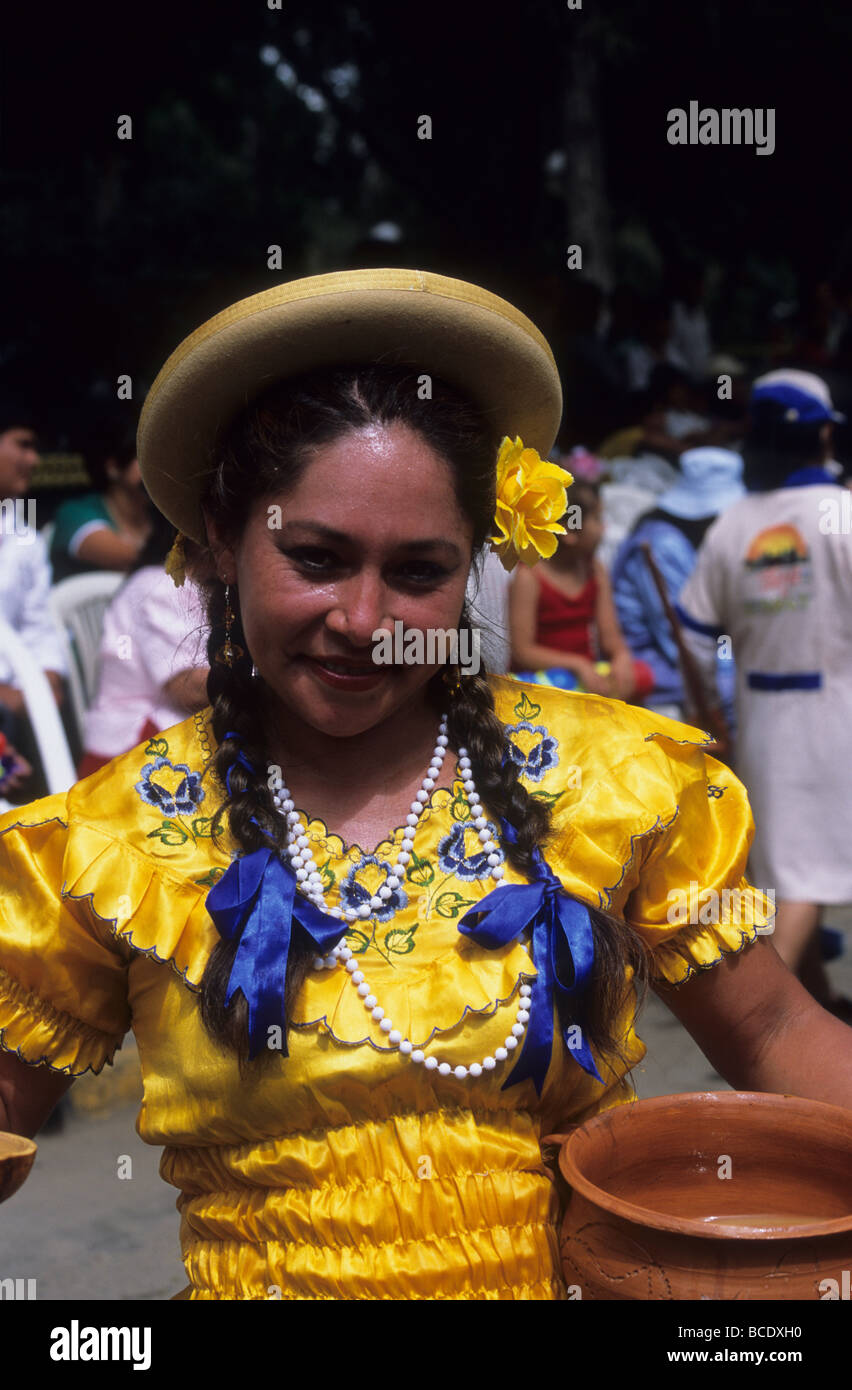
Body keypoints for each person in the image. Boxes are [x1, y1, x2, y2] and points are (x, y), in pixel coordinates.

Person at [0, 271, 850, 1305]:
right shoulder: (111, 840)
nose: (364, 619)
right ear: (223, 540)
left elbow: (772, 1031)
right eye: (315, 557)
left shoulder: (610, 782)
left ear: (476, 567)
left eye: (418, 571)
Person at [678, 369, 852, 1018]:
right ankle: (768, 1029)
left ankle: (823, 1001)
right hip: (839, 720)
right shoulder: (844, 514)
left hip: (763, 724)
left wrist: (708, 715)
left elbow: (695, 637)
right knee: (803, 881)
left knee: (787, 866)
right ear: (825, 434)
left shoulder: (733, 524)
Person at [611, 447, 745, 721]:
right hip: (659, 664)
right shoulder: (663, 545)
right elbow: (679, 639)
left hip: (692, 654)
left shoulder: (692, 540)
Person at [76, 509, 210, 778]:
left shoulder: (211, 588)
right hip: (134, 756)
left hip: (182, 742)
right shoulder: (160, 585)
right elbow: (186, 689)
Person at [509, 478, 654, 700]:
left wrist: (621, 657)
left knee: (641, 675)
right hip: (547, 679)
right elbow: (522, 651)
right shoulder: (529, 576)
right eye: (597, 519)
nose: (604, 527)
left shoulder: (594, 569)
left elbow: (610, 635)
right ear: (570, 532)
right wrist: (577, 665)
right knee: (554, 687)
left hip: (585, 677)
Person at [0, 396, 68, 777]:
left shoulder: (26, 537)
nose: (34, 460)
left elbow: (37, 623)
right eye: (23, 445)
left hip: (19, 701)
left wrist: (47, 678)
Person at [49, 421, 154, 583]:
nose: (155, 468)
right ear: (113, 467)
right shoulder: (75, 512)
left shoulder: (161, 516)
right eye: (143, 458)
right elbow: (129, 558)